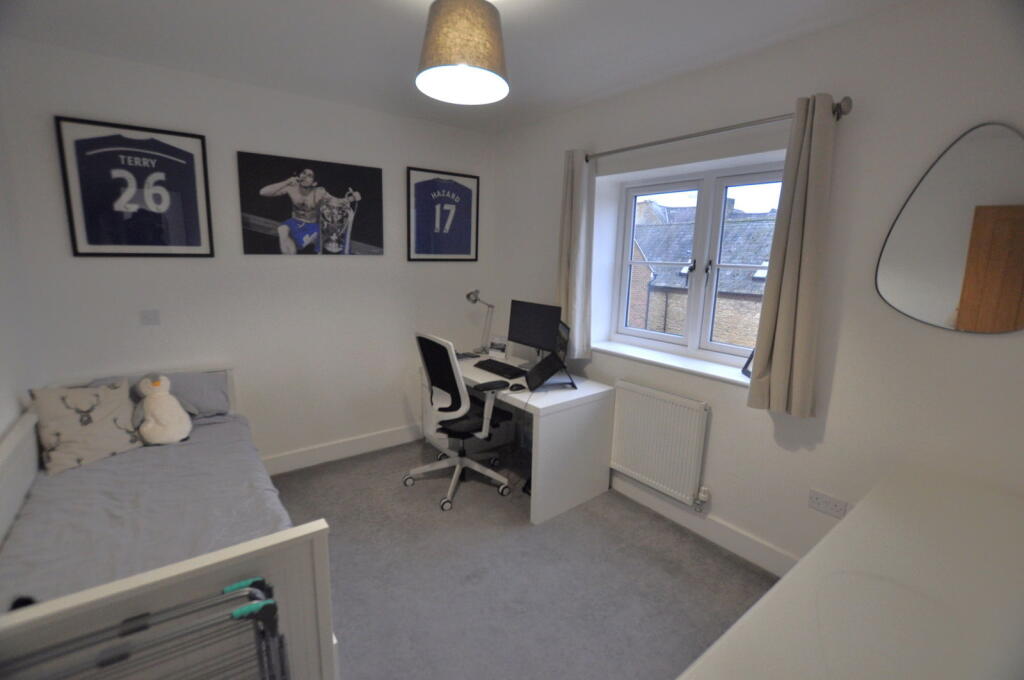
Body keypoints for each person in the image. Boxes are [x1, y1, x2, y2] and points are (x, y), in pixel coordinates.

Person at [259, 168, 336, 254]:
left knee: (309, 244)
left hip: (312, 226)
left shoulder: (319, 192)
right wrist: (287, 181)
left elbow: (337, 202)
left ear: (314, 183)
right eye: (303, 173)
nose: (304, 176)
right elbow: (263, 192)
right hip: (295, 222)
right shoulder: (292, 188)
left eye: (309, 176)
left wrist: (348, 199)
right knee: (282, 229)